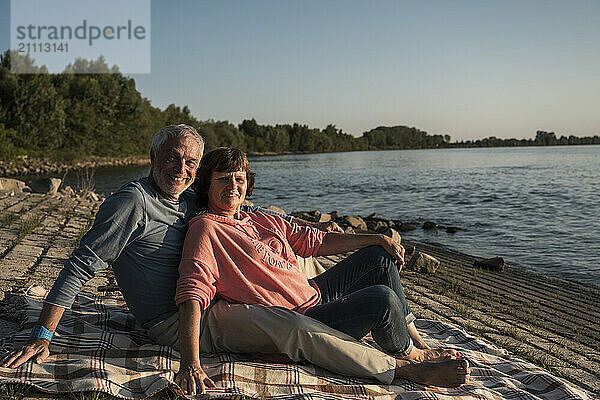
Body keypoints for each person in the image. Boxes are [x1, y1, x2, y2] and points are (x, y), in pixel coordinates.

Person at [0, 124, 391, 386]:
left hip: (217, 295)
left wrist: (296, 229)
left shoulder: (188, 197)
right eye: (172, 158)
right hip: (177, 318)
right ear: (153, 157)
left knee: (302, 261)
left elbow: (242, 210)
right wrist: (43, 334)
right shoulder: (132, 204)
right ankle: (390, 365)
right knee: (288, 324)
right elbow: (80, 266)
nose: (180, 168)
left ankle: (392, 328)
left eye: (190, 162)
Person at [175, 147, 470, 395]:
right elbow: (192, 293)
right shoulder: (207, 229)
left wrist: (377, 237)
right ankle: (410, 357)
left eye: (239, 179)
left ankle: (415, 340)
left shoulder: (259, 219)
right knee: (381, 299)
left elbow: (316, 240)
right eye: (223, 179)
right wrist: (191, 364)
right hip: (302, 317)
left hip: (315, 293)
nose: (233, 186)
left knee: (379, 256)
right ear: (207, 186)